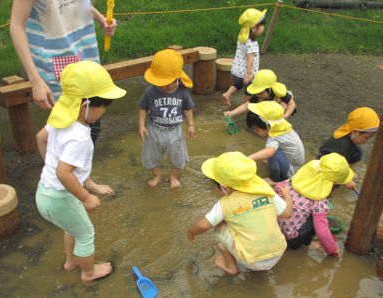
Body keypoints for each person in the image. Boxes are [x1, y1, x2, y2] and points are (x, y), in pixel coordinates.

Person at [35, 61, 126, 282]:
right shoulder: (80, 137)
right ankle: (88, 272)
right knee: (86, 234)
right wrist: (86, 197)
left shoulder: (60, 116)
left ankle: (71, 261)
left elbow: (41, 138)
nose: (102, 114)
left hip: (45, 193)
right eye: (103, 108)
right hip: (61, 197)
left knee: (72, 227)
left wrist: (51, 165)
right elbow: (64, 173)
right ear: (86, 105)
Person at [10, 0, 117, 143]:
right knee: (71, 130)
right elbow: (17, 25)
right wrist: (35, 80)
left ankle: (74, 163)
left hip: (85, 55)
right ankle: (62, 164)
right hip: (58, 61)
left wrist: (101, 19)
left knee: (92, 123)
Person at [187, 152, 292, 275]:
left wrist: (190, 232)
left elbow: (202, 226)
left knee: (219, 226)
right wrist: (288, 197)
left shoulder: (225, 203)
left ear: (225, 188)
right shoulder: (267, 192)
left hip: (251, 261)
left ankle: (231, 266)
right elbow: (286, 214)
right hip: (277, 253)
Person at [276, 153, 356, 257]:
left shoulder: (291, 181)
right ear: (334, 185)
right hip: (290, 240)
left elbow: (277, 188)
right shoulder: (319, 202)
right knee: (318, 219)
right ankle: (304, 245)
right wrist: (333, 249)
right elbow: (322, 232)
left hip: (275, 228)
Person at [138, 49, 195, 188]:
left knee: (178, 156)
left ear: (177, 78)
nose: (167, 86)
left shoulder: (182, 91)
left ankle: (173, 176)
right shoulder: (150, 91)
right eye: (162, 82)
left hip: (175, 131)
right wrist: (141, 125)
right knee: (152, 156)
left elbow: (187, 108)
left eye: (170, 83)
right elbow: (143, 107)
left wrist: (191, 125)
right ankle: (156, 175)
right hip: (154, 129)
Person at [246, 101, 305, 185]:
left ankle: (276, 179)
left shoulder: (275, 137)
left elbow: (270, 152)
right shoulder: (282, 127)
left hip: (292, 172)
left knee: (273, 154)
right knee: (269, 154)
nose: (255, 132)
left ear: (268, 126)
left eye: (256, 129)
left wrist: (248, 158)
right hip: (296, 165)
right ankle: (280, 167)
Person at [317, 107, 380, 180]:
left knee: (357, 152)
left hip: (341, 159)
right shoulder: (341, 145)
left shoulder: (352, 142)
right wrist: (347, 181)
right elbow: (334, 166)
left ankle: (348, 170)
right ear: (355, 132)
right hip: (324, 165)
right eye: (366, 137)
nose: (366, 141)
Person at [222, 8, 267, 108]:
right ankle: (245, 105)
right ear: (254, 27)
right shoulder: (253, 43)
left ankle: (227, 94)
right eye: (262, 25)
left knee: (237, 85)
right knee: (249, 89)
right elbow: (250, 59)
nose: (263, 27)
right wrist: (249, 74)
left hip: (235, 72)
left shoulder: (242, 38)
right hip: (246, 74)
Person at [224, 69, 296, 120]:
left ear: (269, 89)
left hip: (280, 102)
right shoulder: (258, 95)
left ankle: (279, 120)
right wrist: (232, 113)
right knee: (263, 111)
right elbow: (246, 106)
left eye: (260, 92)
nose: (258, 95)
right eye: (256, 92)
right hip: (270, 103)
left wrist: (286, 116)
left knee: (283, 105)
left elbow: (292, 104)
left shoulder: (280, 92)